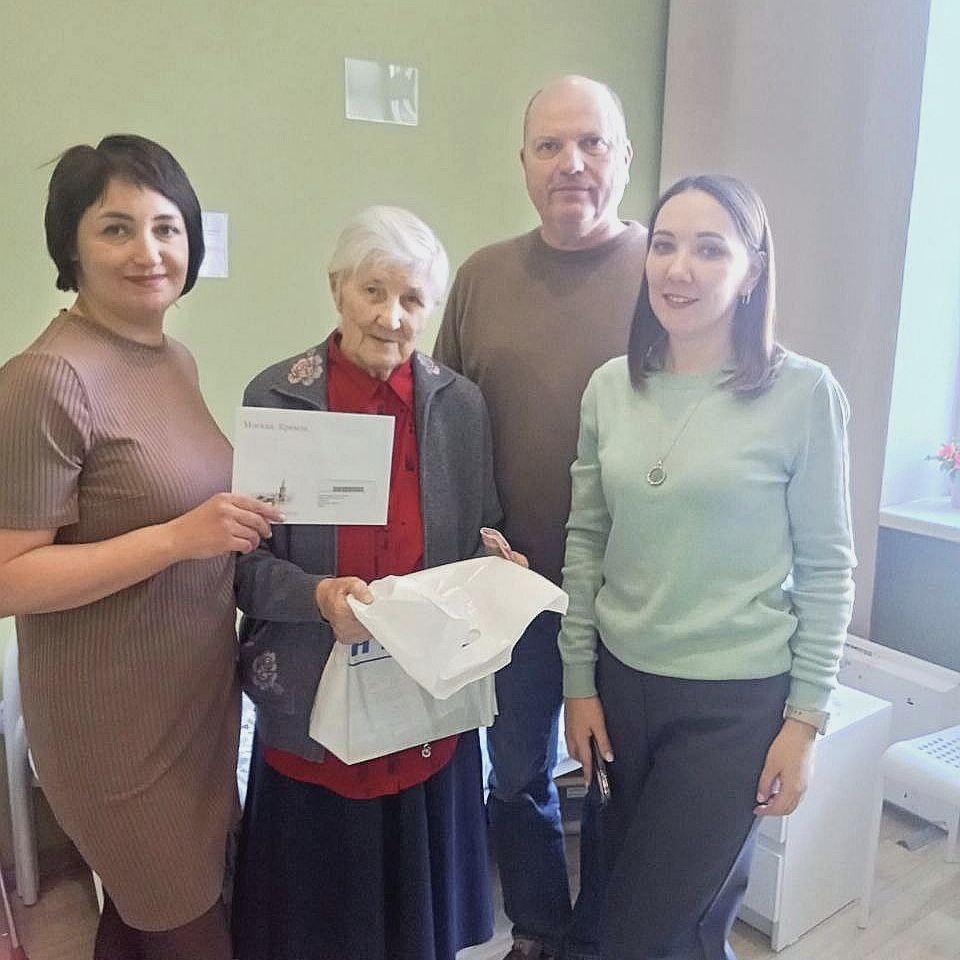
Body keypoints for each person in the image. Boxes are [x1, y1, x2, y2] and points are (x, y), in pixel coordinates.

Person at [560, 174, 855, 960]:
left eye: (710, 249)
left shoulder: (803, 393)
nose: (678, 269)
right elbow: (586, 542)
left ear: (752, 271)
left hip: (733, 705)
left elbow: (828, 570)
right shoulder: (610, 388)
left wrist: (806, 722)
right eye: (663, 245)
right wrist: (578, 681)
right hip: (621, 689)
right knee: (616, 910)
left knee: (649, 933)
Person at [0, 134, 281, 960]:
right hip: (113, 729)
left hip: (193, 699)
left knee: (139, 918)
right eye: (115, 229)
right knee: (189, 926)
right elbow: (9, 577)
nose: (148, 252)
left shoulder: (173, 360)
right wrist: (175, 539)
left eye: (166, 228)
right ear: (71, 246)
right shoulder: (48, 378)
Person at [231, 205, 517, 960]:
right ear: (337, 289)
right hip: (317, 708)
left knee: (414, 928)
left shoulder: (459, 407)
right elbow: (245, 570)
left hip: (423, 705)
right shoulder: (280, 399)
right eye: (373, 291)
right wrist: (319, 597)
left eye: (413, 298)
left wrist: (496, 568)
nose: (392, 317)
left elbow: (480, 532)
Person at [434, 74, 647, 960]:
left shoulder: (664, 275)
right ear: (522, 162)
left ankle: (607, 932)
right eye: (550, 146)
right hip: (514, 596)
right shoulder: (481, 278)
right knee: (516, 775)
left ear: (623, 157)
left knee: (621, 779)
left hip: (635, 599)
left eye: (592, 143)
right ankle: (540, 929)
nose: (572, 164)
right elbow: (442, 425)